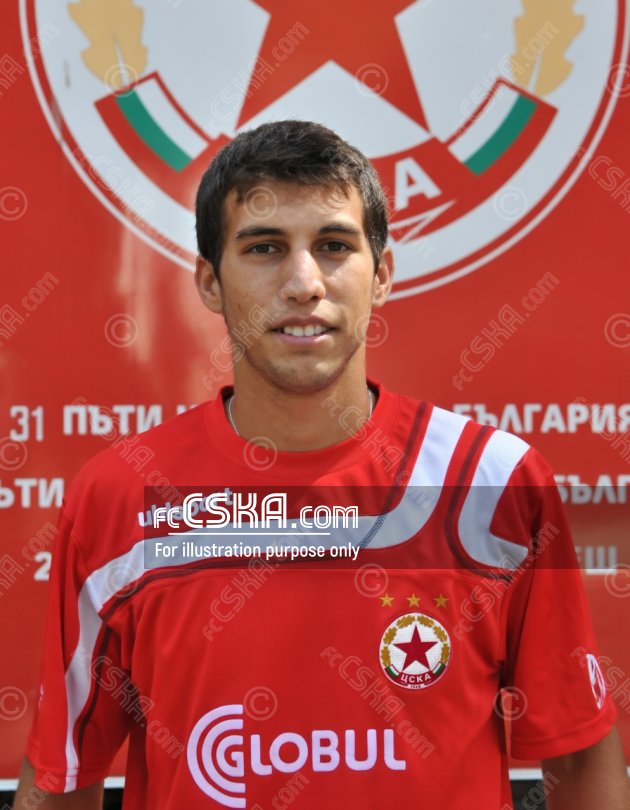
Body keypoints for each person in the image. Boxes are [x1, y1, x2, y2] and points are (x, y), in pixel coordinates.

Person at [14, 120, 629, 809]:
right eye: (265, 248)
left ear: (382, 275)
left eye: (334, 246)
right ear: (211, 283)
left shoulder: (492, 480)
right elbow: (64, 776)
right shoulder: (121, 495)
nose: (304, 283)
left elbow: (579, 762)